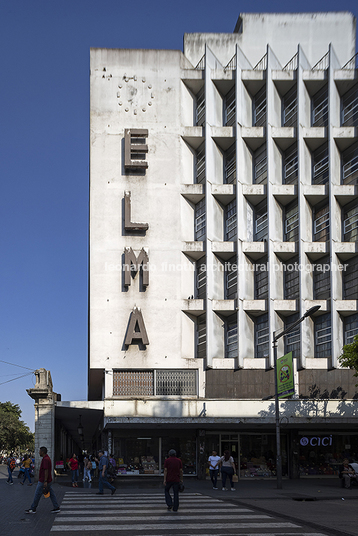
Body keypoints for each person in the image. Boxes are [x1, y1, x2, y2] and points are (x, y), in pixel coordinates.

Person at [25, 446, 60, 514]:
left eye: (39, 451)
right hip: (47, 480)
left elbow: (46, 470)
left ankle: (33, 508)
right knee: (51, 494)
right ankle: (56, 507)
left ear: (42, 452)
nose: (39, 452)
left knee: (37, 494)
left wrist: (45, 481)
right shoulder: (47, 458)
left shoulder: (45, 459)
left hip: (43, 480)